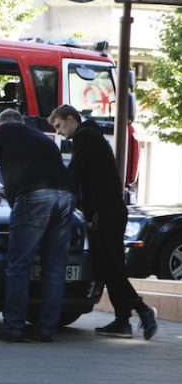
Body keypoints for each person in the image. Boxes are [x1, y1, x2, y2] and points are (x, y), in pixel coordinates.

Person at [48, 104, 157, 340]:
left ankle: (142, 310)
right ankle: (122, 321)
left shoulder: (85, 137)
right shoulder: (92, 136)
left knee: (111, 267)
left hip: (104, 213)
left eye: (59, 126)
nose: (59, 132)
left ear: (70, 118)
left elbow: (74, 174)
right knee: (110, 267)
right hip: (110, 211)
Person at [0, 108, 74, 342]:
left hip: (35, 197)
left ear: (3, 124)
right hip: (66, 197)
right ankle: (46, 329)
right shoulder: (44, 139)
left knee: (19, 264)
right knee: (54, 268)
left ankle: (13, 328)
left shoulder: (5, 130)